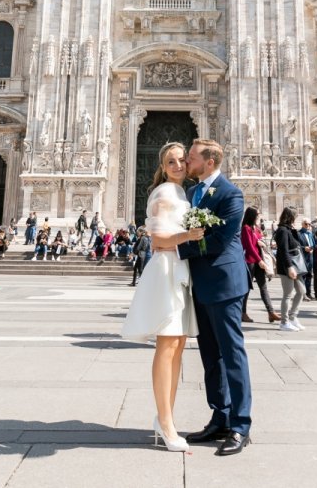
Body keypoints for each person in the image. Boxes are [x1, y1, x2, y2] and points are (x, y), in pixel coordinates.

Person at [121, 142, 204, 452]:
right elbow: (156, 240)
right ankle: (167, 423)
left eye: (182, 160)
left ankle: (164, 417)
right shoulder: (165, 193)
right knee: (168, 345)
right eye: (172, 161)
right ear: (163, 166)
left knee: (178, 345)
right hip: (167, 269)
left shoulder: (185, 192)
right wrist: (190, 236)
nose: (179, 165)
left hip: (180, 268)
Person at [177, 138, 252, 457]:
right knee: (211, 356)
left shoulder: (231, 194)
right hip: (201, 284)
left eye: (191, 157)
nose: (186, 163)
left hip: (224, 283)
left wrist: (178, 248)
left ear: (209, 162)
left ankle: (240, 425)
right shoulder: (192, 193)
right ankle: (219, 417)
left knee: (232, 354)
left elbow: (221, 240)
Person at [240, 207, 280, 323]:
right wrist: (259, 261)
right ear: (251, 215)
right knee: (246, 288)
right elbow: (249, 247)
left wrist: (261, 241)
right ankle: (242, 313)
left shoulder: (256, 228)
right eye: (257, 214)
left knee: (263, 288)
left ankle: (271, 312)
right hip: (250, 261)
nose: (258, 216)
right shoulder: (246, 229)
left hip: (258, 260)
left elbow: (260, 241)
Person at [274, 207, 307, 330]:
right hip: (287, 266)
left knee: (301, 291)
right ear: (290, 217)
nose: (296, 218)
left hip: (295, 266)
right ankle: (284, 322)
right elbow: (283, 250)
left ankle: (293, 317)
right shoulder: (282, 230)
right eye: (295, 216)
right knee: (288, 294)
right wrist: (289, 267)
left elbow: (295, 244)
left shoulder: (289, 230)